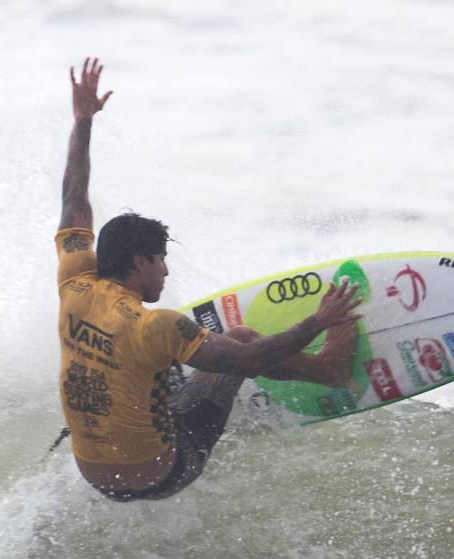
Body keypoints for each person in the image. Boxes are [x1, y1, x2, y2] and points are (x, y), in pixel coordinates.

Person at [56, 58, 364, 502]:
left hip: (98, 480)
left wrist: (82, 121)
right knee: (236, 339)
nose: (166, 269)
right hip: (165, 472)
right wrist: (320, 319)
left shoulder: (74, 284)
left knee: (157, 365)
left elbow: (73, 200)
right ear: (141, 262)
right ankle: (329, 371)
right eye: (161, 259)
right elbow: (253, 359)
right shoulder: (155, 325)